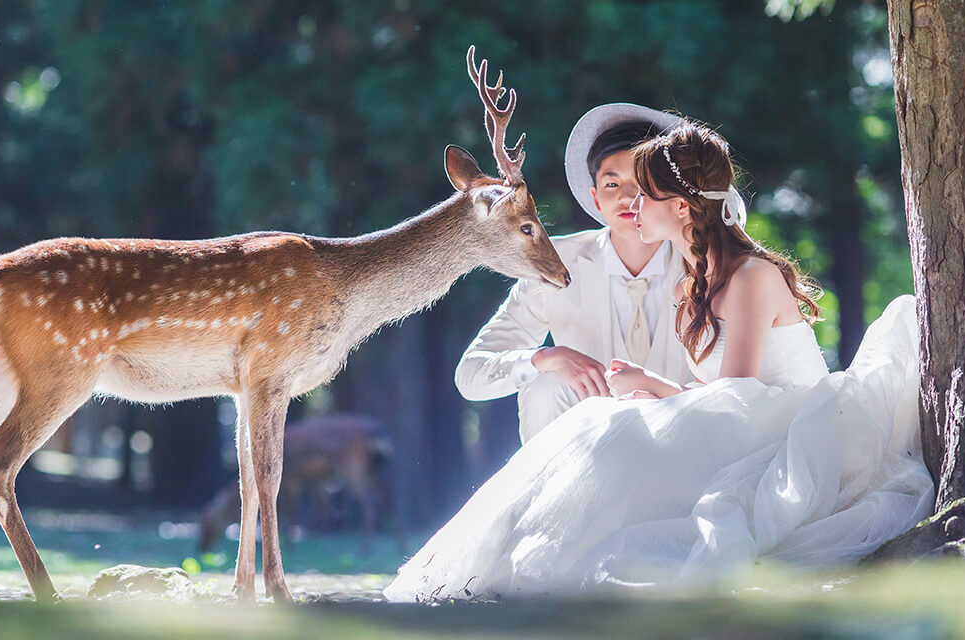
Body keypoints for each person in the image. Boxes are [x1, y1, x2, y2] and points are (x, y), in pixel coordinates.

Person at [385, 120, 934, 600]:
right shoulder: (688, 283)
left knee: (616, 429)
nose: (631, 205)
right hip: (734, 418)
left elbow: (739, 397)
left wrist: (649, 386)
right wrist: (610, 377)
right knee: (601, 421)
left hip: (787, 427)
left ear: (680, 206)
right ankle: (505, 557)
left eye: (642, 192)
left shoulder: (748, 278)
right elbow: (717, 396)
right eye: (616, 189)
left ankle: (556, 557)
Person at [455, 104, 694, 443]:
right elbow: (471, 374)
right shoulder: (554, 265)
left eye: (641, 183)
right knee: (545, 385)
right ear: (595, 198)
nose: (627, 197)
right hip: (584, 453)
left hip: (682, 443)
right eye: (612, 184)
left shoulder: (702, 264)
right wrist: (546, 357)